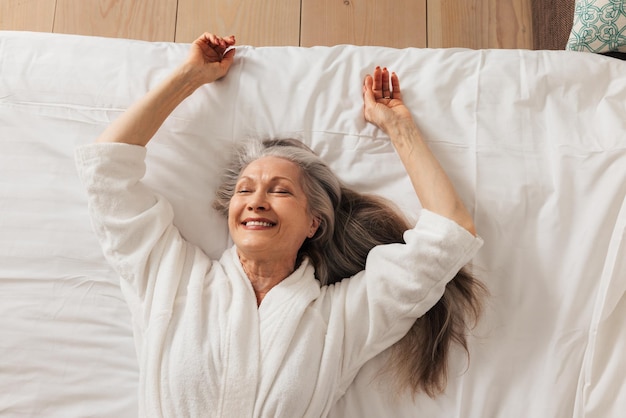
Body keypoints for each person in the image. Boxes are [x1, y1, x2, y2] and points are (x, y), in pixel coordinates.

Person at [75, 33, 485, 417]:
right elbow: (107, 170)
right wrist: (190, 77)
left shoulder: (340, 320)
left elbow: (448, 233)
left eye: (280, 191)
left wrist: (397, 126)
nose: (256, 201)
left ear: (314, 223)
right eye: (244, 190)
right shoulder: (170, 276)